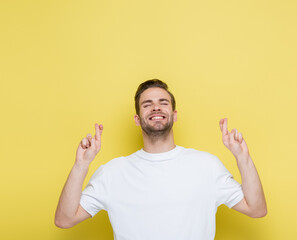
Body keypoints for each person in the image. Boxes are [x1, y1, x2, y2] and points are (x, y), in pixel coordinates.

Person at [55, 79, 267, 239]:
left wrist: (242, 157)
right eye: (147, 104)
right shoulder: (112, 172)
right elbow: (65, 219)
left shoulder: (207, 166)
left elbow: (256, 209)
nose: (156, 107)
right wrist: (81, 164)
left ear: (174, 115)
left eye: (162, 102)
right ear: (137, 119)